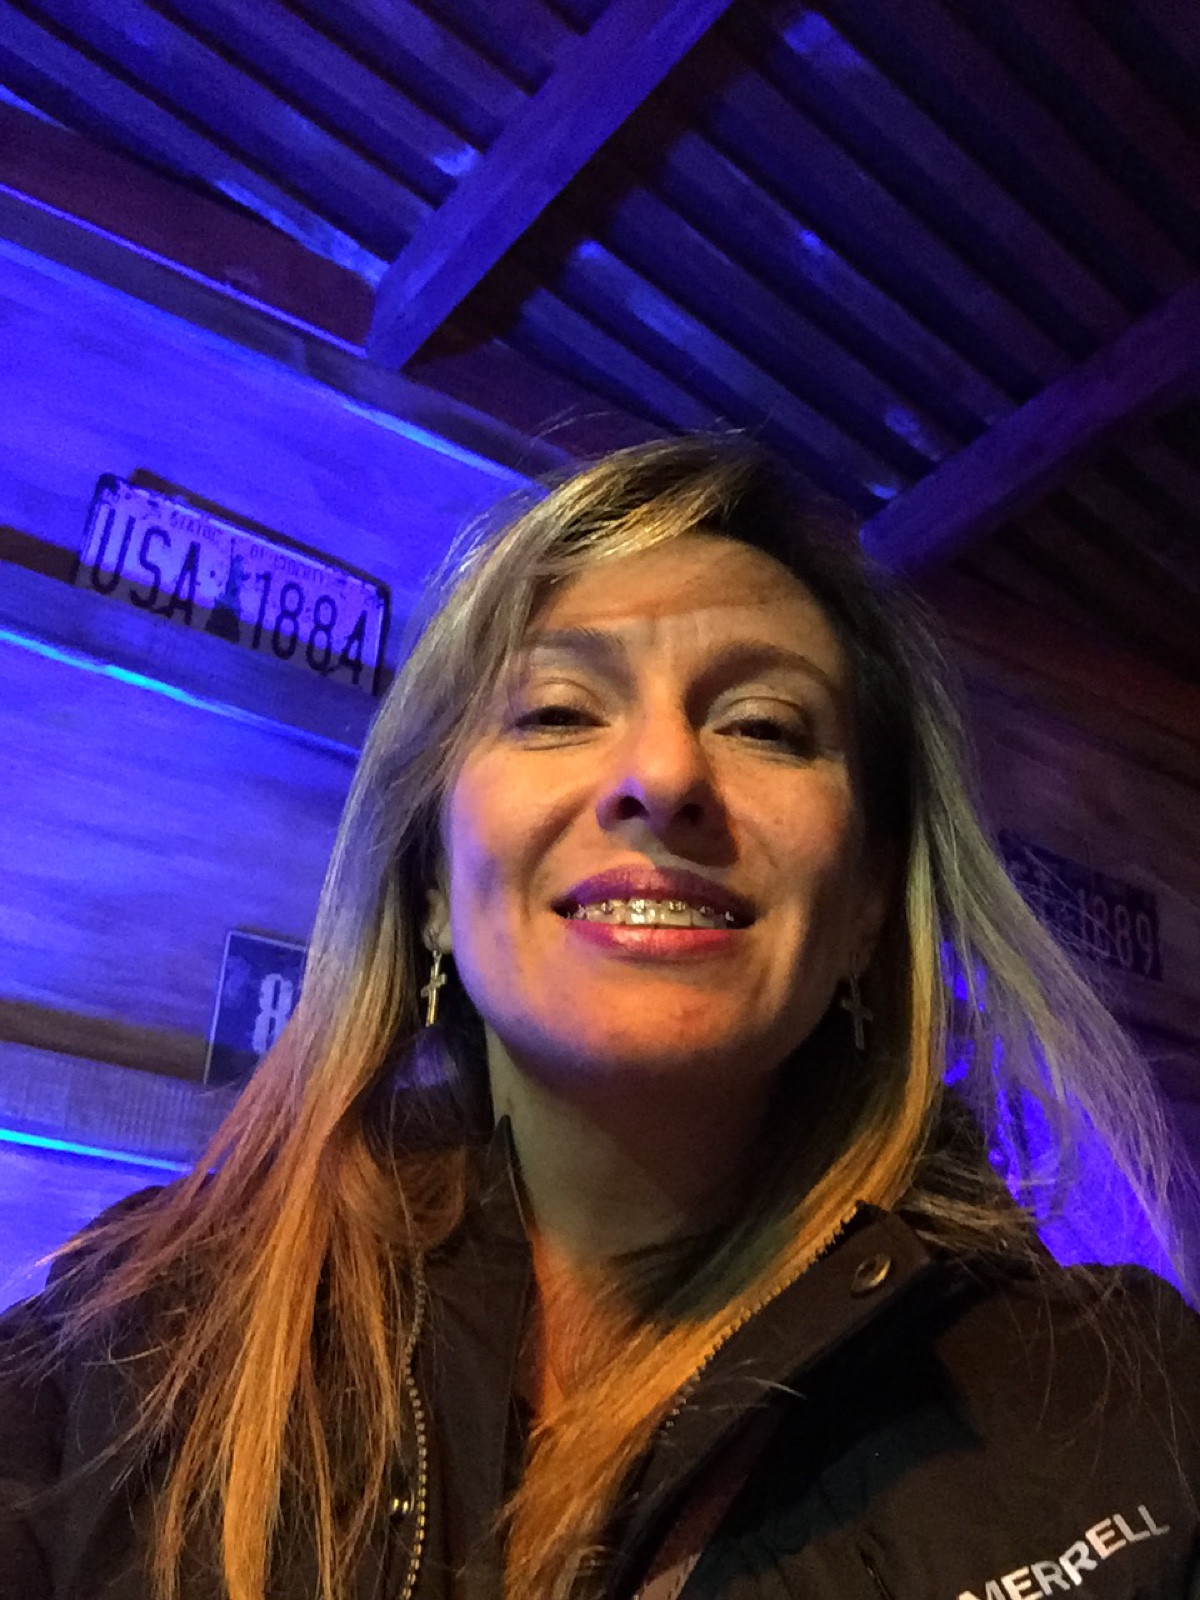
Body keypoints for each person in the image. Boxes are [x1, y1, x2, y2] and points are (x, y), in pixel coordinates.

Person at [1, 438, 1197, 1600]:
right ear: (431, 887)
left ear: (867, 908)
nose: (664, 776)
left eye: (765, 725)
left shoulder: (1131, 1410)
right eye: (559, 711)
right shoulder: (122, 1344)